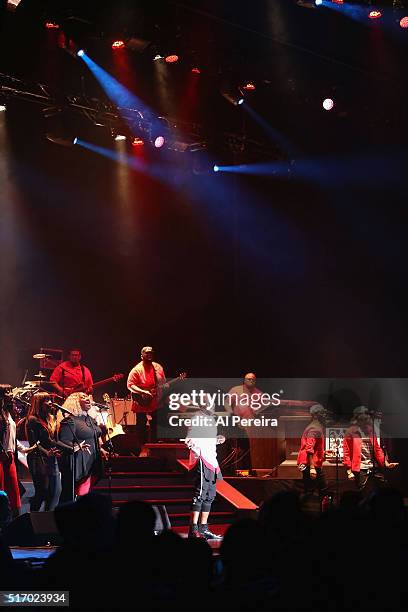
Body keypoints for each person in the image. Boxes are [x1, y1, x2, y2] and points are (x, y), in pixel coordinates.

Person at [25, 392, 83, 511]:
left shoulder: (50, 418)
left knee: (55, 491)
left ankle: (48, 518)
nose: (51, 403)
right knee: (42, 491)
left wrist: (74, 448)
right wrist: (47, 453)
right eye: (47, 400)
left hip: (51, 457)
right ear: (39, 404)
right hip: (38, 458)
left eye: (50, 399)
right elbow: (34, 443)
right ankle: (32, 518)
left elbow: (53, 441)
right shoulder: (32, 420)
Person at [184, 395, 225, 540]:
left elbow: (207, 439)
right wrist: (197, 453)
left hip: (212, 460)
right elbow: (190, 438)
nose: (212, 406)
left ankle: (204, 528)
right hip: (202, 459)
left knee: (210, 496)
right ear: (204, 404)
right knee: (200, 494)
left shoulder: (212, 419)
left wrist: (217, 440)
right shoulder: (197, 417)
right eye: (210, 404)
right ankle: (193, 529)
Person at [57, 392, 108, 504]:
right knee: (72, 496)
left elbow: (95, 436)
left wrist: (101, 448)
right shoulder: (70, 420)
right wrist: (76, 447)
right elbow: (63, 441)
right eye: (83, 397)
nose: (87, 398)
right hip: (79, 461)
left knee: (89, 495)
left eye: (87, 396)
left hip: (93, 461)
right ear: (75, 402)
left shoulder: (90, 419)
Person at [343, 405, 398, 491]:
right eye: (362, 419)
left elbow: (377, 448)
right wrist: (349, 471)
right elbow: (346, 452)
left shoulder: (370, 430)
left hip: (374, 466)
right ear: (357, 419)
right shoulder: (350, 432)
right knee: (362, 491)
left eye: (366, 419)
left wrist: (386, 463)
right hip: (360, 468)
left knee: (382, 488)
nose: (365, 421)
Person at [0, 384, 30, 518]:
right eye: (7, 392)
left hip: (9, 455)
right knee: (1, 489)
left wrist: (22, 449)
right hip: (1, 455)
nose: (11, 394)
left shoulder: (8, 412)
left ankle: (16, 520)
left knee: (14, 489)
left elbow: (11, 436)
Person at [127, 346, 166, 443]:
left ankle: (155, 446)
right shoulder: (137, 369)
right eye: (147, 353)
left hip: (154, 401)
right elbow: (130, 385)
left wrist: (164, 386)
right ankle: (140, 447)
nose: (149, 355)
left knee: (156, 424)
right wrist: (143, 392)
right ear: (142, 356)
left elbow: (163, 382)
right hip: (141, 401)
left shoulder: (158, 367)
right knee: (141, 425)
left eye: (151, 353)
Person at [224, 373, 262, 470]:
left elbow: (262, 408)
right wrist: (232, 414)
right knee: (237, 448)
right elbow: (226, 403)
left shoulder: (259, 393)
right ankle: (233, 469)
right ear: (244, 380)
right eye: (248, 379)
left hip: (252, 426)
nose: (251, 381)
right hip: (237, 425)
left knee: (248, 450)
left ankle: (248, 469)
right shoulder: (236, 390)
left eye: (253, 379)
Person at [297, 403, 329, 499]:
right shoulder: (315, 428)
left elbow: (313, 447)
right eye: (322, 413)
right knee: (314, 490)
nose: (324, 415)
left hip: (312, 463)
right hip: (311, 464)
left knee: (314, 489)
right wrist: (312, 467)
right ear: (315, 415)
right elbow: (309, 448)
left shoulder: (316, 426)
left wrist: (323, 452)